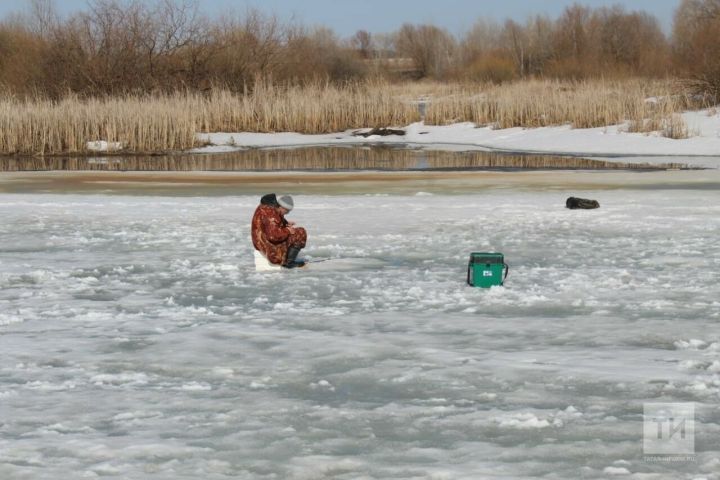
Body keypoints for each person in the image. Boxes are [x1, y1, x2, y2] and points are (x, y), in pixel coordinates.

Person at [251, 193, 307, 268]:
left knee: (295, 231)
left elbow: (272, 223)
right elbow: (273, 236)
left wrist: (285, 223)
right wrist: (287, 230)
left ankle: (287, 259)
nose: (287, 213)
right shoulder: (271, 213)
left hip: (260, 241)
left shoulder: (269, 208)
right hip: (267, 245)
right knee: (301, 232)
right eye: (287, 211)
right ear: (282, 207)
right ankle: (288, 263)